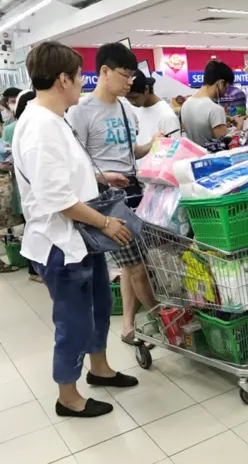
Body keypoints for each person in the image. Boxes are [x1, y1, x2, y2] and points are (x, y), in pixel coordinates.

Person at [13, 41, 139, 418]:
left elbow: (67, 176)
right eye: (79, 76)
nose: (82, 83)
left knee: (101, 306)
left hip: (82, 240)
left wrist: (101, 180)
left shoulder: (56, 119)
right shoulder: (39, 128)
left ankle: (99, 369)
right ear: (62, 78)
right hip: (61, 243)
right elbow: (57, 200)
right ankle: (68, 396)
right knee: (72, 321)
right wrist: (106, 222)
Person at [66, 42, 160, 347]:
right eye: (125, 74)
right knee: (137, 267)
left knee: (131, 265)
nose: (130, 81)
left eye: (133, 76)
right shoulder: (81, 112)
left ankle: (129, 325)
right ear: (104, 71)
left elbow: (132, 150)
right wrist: (101, 176)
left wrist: (154, 144)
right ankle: (163, 319)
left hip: (134, 192)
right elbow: (72, 164)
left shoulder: (125, 108)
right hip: (106, 199)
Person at [1, 90, 42, 281]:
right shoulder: (11, 129)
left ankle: (36, 266)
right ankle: (34, 268)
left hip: (30, 181)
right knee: (31, 222)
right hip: (22, 182)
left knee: (32, 222)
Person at [181, 59, 235, 146]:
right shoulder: (215, 109)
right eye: (226, 87)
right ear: (221, 83)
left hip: (193, 156)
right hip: (212, 158)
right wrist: (239, 127)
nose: (226, 92)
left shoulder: (186, 104)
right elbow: (226, 145)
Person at [126, 70, 181, 144]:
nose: (131, 102)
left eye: (134, 97)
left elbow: (174, 150)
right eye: (127, 98)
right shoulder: (133, 108)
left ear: (146, 89)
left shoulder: (167, 117)